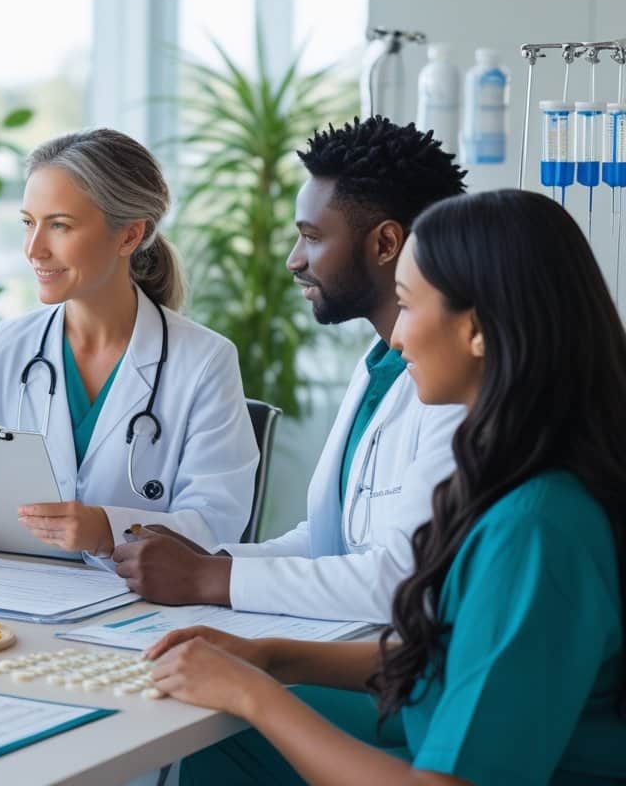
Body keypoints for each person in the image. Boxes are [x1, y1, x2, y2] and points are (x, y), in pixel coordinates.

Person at [145, 189, 626, 785]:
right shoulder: (510, 472)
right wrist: (272, 656)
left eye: (407, 307)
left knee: (239, 725)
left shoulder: (536, 528)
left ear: (475, 330)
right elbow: (456, 651)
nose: (396, 340)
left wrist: (255, 696)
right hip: (434, 727)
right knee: (217, 740)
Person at [113, 117, 467, 623]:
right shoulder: (377, 367)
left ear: (386, 244)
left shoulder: (458, 390)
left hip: (392, 671)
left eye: (313, 237)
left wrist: (208, 578)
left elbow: (401, 580)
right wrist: (210, 562)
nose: (294, 260)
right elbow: (330, 543)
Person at [0, 128, 259, 557]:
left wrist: (106, 529)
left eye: (59, 225)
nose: (34, 249)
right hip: (10, 588)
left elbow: (217, 523)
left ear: (129, 236)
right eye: (28, 223)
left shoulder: (204, 361)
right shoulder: (8, 346)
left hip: (137, 607)